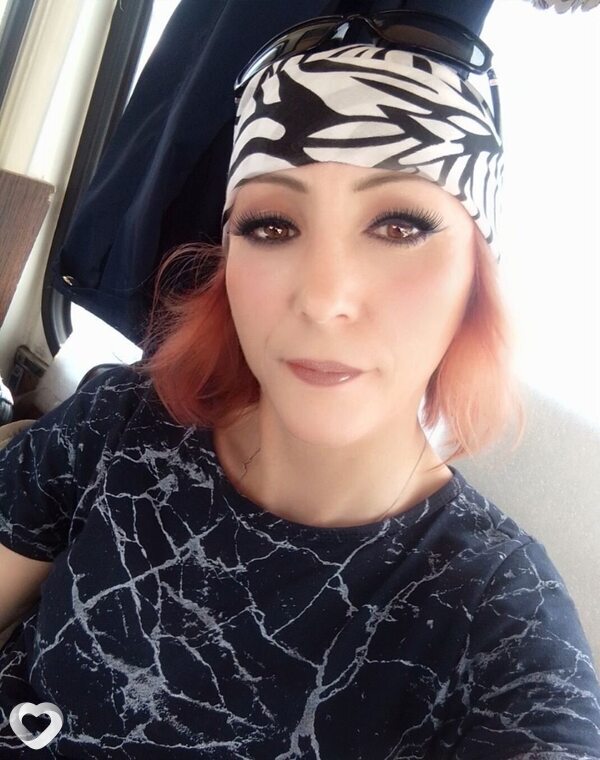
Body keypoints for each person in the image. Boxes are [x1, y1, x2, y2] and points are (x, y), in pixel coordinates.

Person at [1, 16, 600, 760]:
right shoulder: (119, 420)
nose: (323, 298)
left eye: (400, 226)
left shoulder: (505, 627)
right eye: (273, 226)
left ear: (475, 278)